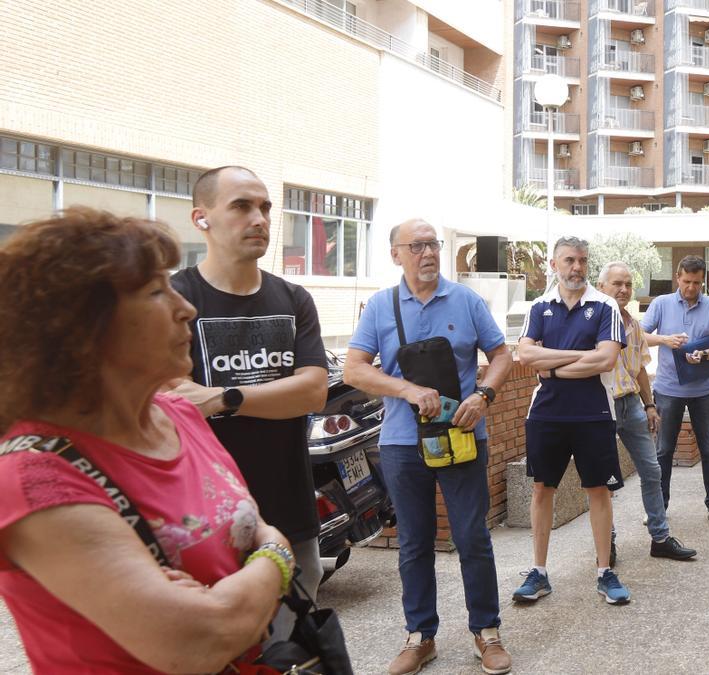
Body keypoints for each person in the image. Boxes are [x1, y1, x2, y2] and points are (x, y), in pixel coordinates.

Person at [0, 208, 292, 673]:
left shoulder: (180, 415)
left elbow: (245, 537)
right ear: (81, 327)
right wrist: (277, 555)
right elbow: (198, 640)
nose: (187, 309)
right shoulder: (32, 477)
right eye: (157, 291)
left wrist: (244, 581)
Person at [344, 218, 514, 674]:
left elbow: (502, 354)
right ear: (396, 253)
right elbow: (354, 370)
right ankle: (420, 637)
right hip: (401, 443)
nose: (429, 253)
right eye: (417, 245)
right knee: (414, 543)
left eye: (433, 244)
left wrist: (484, 396)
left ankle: (487, 631)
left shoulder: (465, 300)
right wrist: (405, 390)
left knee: (472, 537)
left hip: (462, 437)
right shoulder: (380, 306)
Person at [169, 166, 328, 645]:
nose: (259, 218)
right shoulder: (176, 300)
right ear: (202, 218)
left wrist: (222, 397)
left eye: (264, 207)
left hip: (289, 508)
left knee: (291, 648)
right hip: (202, 519)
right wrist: (274, 396)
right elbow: (175, 404)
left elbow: (313, 391)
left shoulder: (293, 298)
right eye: (241, 206)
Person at [514, 237, 631, 606]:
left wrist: (554, 368)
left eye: (582, 260)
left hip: (593, 412)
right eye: (569, 260)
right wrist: (576, 355)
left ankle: (604, 572)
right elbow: (524, 354)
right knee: (541, 489)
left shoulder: (605, 305)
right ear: (554, 264)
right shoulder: (538, 306)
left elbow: (605, 360)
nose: (576, 267)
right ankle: (539, 573)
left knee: (598, 491)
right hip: (546, 412)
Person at [595, 262, 696, 561]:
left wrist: (649, 404)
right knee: (605, 481)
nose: (624, 289)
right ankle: (607, 542)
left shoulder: (632, 323)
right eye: (617, 283)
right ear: (601, 287)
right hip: (603, 406)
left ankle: (660, 538)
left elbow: (639, 367)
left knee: (652, 471)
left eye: (628, 283)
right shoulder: (593, 320)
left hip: (631, 405)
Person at [642, 256, 709, 527]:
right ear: (677, 276)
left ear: (703, 280)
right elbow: (637, 336)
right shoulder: (661, 304)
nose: (691, 288)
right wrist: (664, 340)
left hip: (705, 389)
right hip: (668, 388)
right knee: (663, 450)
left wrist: (704, 353)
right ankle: (658, 508)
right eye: (686, 282)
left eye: (696, 283)